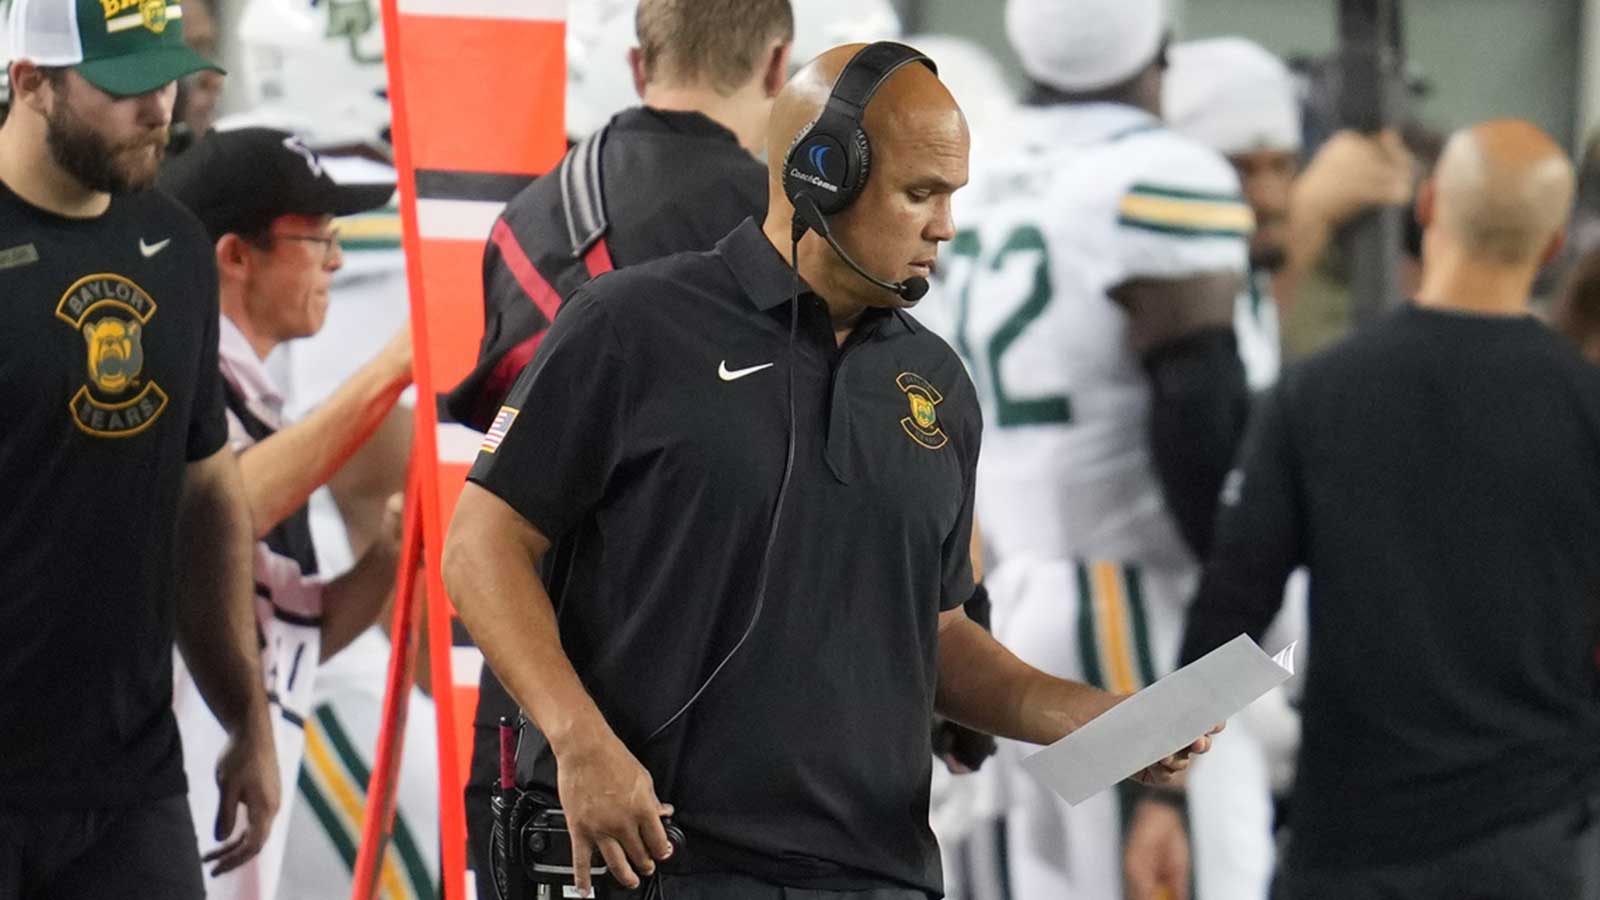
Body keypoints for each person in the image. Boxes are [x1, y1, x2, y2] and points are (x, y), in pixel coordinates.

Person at [443, 41, 1216, 900]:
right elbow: (481, 546)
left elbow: (939, 633)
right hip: (664, 864)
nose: (944, 226)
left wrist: (1092, 717)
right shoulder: (631, 327)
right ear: (822, 173)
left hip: (876, 873)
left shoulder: (938, 387)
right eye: (920, 193)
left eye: (952, 197)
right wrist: (578, 739)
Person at [1173, 118, 1600, 900]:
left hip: (1352, 846)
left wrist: (1152, 789)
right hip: (1529, 843)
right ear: (1550, 249)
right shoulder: (1586, 408)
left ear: (1429, 206)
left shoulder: (1315, 395)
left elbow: (1229, 618)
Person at [442, 2, 794, 891]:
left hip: (539, 727)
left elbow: (497, 496)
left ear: (639, 65)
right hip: (746, 730)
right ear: (780, 65)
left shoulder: (526, 219)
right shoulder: (793, 231)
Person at [919, 1, 1252, 897]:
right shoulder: (1160, 174)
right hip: (1140, 611)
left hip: (1015, 595)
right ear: (1156, 40)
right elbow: (1198, 424)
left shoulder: (979, 164)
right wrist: (1246, 602)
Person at [0, 1, 280, 896]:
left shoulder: (175, 251)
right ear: (30, 81)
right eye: (123, 87)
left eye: (164, 75)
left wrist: (248, 715)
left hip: (129, 784)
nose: (158, 107)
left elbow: (204, 497)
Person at [157, 125, 413, 900]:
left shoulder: (264, 413)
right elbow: (218, 516)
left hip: (225, 843)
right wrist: (393, 370)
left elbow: (290, 635)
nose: (336, 260)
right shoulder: (172, 389)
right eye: (317, 238)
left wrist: (386, 560)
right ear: (235, 254)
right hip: (149, 834)